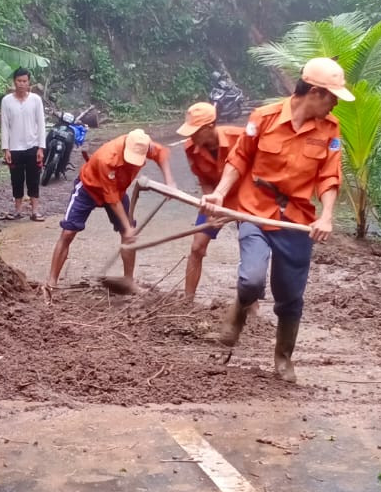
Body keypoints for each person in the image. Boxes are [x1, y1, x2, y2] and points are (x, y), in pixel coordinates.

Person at [201, 58, 350, 383]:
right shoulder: (263, 117)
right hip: (254, 208)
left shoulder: (330, 130)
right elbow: (240, 156)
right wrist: (220, 194)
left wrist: (326, 216)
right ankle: (237, 315)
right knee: (252, 278)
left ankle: (283, 357)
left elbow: (328, 176)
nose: (336, 103)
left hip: (296, 218)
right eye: (333, 96)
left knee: (290, 294)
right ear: (314, 92)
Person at [45, 129, 175, 291]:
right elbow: (112, 199)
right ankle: (51, 282)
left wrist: (169, 183)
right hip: (89, 188)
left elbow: (161, 154)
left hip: (117, 190)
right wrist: (127, 228)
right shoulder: (106, 158)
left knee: (129, 236)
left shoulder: (144, 144)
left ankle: (129, 281)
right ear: (126, 146)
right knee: (68, 232)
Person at [178, 101, 242, 304]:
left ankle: (250, 305)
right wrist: (212, 210)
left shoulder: (240, 137)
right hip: (215, 199)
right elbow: (204, 181)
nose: (191, 136)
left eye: (195, 131)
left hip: (245, 198)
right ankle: (188, 301)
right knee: (197, 247)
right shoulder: (190, 148)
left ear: (209, 127)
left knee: (249, 247)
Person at [0, 68, 46, 221]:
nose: (21, 84)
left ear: (29, 83)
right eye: (19, 81)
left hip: (32, 146)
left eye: (24, 81)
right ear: (14, 82)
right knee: (16, 180)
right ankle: (18, 210)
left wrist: (41, 147)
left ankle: (35, 211)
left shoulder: (35, 100)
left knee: (34, 179)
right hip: (14, 148)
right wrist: (6, 149)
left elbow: (41, 124)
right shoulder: (7, 101)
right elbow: (5, 125)